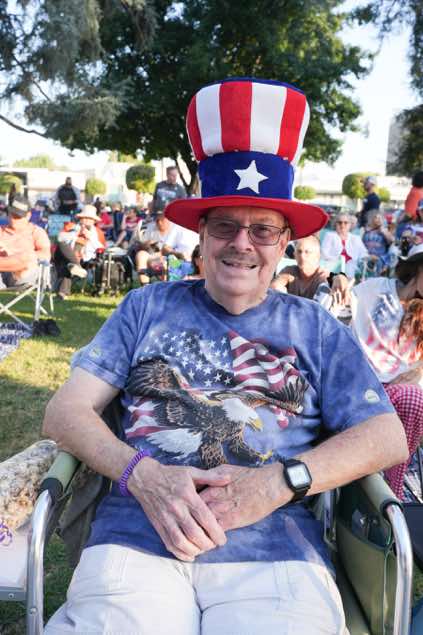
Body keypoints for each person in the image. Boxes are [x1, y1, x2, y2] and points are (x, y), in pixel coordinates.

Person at [43, 78, 407, 635]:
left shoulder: (313, 326)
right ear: (201, 235)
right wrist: (143, 475)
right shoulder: (146, 306)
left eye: (262, 229)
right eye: (225, 226)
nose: (242, 243)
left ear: (284, 242)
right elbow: (64, 412)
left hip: (277, 551)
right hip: (138, 539)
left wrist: (281, 482)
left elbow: (386, 435)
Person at [350, 242, 423, 499]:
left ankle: (392, 487)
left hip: (398, 394)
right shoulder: (376, 289)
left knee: (414, 398)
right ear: (417, 268)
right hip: (357, 382)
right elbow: (347, 303)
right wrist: (337, 279)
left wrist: (418, 373)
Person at [130, 210, 197, 284]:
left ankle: (166, 287)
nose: (159, 222)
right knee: (144, 256)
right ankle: (146, 286)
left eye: (162, 219)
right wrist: (178, 254)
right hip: (175, 260)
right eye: (157, 220)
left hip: (193, 262)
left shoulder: (200, 229)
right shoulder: (179, 227)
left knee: (167, 264)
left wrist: (194, 256)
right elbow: (165, 248)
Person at [54, 205, 106, 299]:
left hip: (84, 259)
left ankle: (62, 293)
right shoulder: (71, 226)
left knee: (68, 264)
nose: (86, 220)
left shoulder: (98, 232)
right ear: (80, 218)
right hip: (68, 254)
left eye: (89, 218)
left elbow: (101, 248)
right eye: (84, 218)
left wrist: (90, 237)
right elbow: (59, 238)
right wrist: (75, 234)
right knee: (61, 245)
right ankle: (76, 265)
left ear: (94, 221)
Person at [0, 195, 50, 288]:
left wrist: (13, 255)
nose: (14, 220)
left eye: (18, 217)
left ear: (28, 216)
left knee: (26, 257)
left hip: (23, 273)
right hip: (2, 272)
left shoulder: (36, 232)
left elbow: (45, 255)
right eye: (12, 215)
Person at [321, 212, 368, 278]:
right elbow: (324, 252)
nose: (342, 225)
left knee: (350, 266)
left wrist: (365, 257)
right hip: (333, 265)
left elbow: (363, 252)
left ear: (350, 225)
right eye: (339, 222)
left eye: (345, 223)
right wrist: (338, 261)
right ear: (335, 224)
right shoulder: (330, 235)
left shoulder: (355, 238)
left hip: (351, 265)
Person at [361, 210, 394, 276]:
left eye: (380, 218)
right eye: (376, 217)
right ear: (371, 219)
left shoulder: (384, 231)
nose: (379, 220)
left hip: (380, 258)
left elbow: (392, 241)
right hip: (366, 257)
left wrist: (383, 231)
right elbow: (361, 245)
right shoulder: (365, 231)